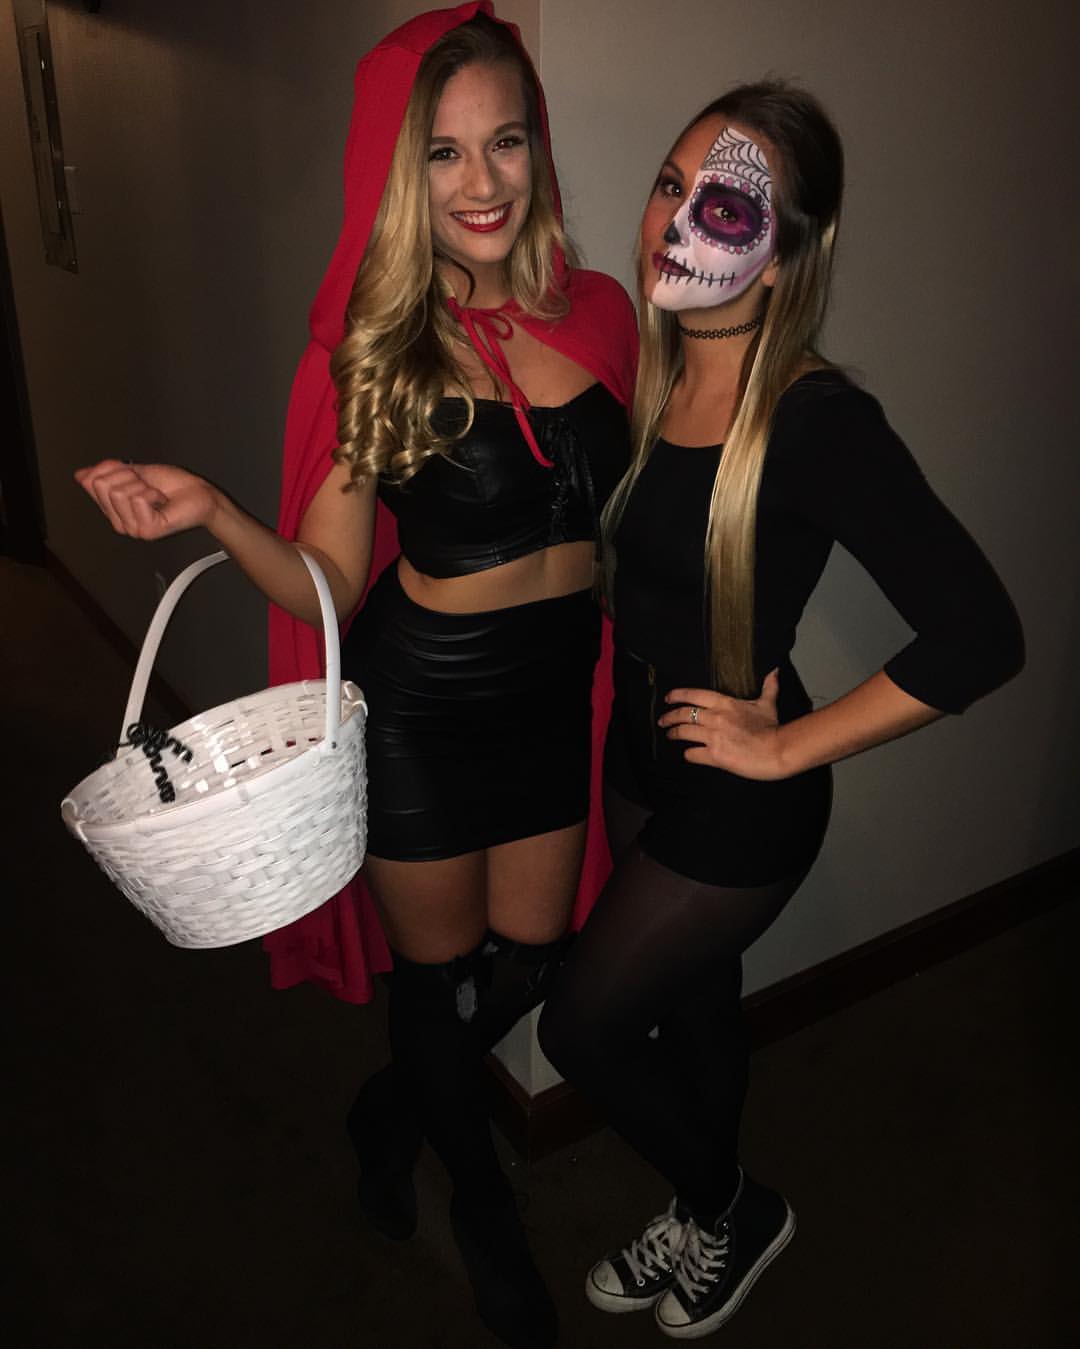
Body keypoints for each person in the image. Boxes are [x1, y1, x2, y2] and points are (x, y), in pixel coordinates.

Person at [75, 6, 636, 1347]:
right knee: (440, 986)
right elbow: (327, 581)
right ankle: (481, 1213)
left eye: (506, 141)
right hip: (423, 711)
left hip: (550, 698)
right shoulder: (377, 346)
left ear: (538, 148)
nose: (483, 181)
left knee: (534, 958)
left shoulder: (604, 313)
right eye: (443, 153)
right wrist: (217, 511)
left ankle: (391, 1107)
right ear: (402, 173)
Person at [537, 81, 1024, 1340]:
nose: (672, 219)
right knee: (694, 1000)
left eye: (721, 202)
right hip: (641, 748)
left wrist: (789, 744)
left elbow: (981, 633)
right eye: (669, 182)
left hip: (744, 791)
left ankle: (731, 1205)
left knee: (582, 1027)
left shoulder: (815, 419)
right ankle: (706, 1204)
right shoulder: (655, 374)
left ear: (787, 246)